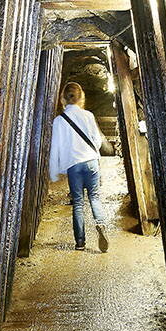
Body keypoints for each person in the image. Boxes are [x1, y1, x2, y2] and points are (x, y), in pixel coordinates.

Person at [47, 81, 110, 252]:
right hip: (91, 162)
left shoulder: (59, 121)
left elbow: (55, 148)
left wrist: (53, 173)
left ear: (63, 99)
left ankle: (80, 243)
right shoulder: (88, 116)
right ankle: (101, 225)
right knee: (95, 198)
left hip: (74, 166)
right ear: (81, 97)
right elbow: (97, 141)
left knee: (78, 204)